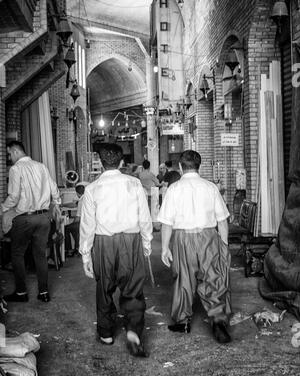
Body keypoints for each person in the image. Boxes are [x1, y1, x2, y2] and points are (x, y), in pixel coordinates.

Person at [79, 143, 153, 357]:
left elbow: (87, 226)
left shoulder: (92, 189)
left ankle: (106, 333)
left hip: (104, 243)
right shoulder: (134, 183)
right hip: (131, 241)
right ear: (122, 162)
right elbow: (144, 216)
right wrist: (146, 243)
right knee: (133, 289)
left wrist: (86, 256)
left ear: (101, 163)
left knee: (104, 288)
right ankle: (133, 332)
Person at [157, 150, 232, 344]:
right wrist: (223, 245)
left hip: (183, 237)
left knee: (183, 278)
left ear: (180, 167)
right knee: (213, 278)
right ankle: (218, 322)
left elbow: (167, 223)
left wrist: (165, 247)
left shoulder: (173, 189)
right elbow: (222, 220)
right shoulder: (210, 187)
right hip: (208, 236)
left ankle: (183, 322)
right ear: (200, 166)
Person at [1, 141, 60, 303]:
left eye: (9, 154)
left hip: (25, 218)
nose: (9, 157)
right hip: (43, 217)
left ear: (15, 152)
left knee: (17, 254)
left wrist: (3, 208)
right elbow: (54, 189)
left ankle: (21, 293)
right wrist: (55, 205)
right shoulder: (41, 166)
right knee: (40, 255)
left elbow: (13, 197)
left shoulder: (16, 169)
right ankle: (44, 293)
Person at [65, 184, 85, 257]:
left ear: (77, 193)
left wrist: (72, 223)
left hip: (82, 223)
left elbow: (77, 218)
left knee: (66, 228)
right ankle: (77, 248)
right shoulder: (87, 198)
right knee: (74, 229)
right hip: (88, 223)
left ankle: (69, 249)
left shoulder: (81, 201)